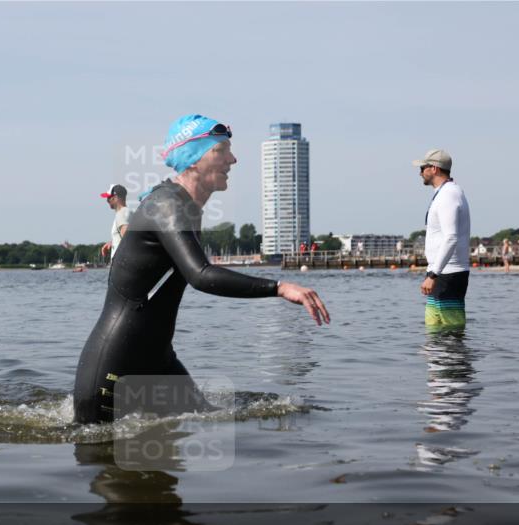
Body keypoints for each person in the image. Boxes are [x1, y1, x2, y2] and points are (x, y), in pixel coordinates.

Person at [73, 115, 330, 424]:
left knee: (206, 425)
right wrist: (278, 287)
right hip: (116, 363)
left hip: (157, 357)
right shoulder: (167, 205)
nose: (233, 159)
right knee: (104, 455)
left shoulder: (185, 208)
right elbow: (201, 275)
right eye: (222, 150)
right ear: (194, 158)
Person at [413, 149, 471, 329]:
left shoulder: (448, 195)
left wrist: (433, 274)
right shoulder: (445, 193)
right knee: (433, 332)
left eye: (423, 167)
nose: (420, 172)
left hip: (448, 273)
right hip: (440, 273)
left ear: (435, 169)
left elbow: (451, 237)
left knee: (450, 334)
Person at [100, 184, 129, 261]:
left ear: (115, 198)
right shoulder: (129, 212)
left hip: (121, 263)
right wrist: (112, 242)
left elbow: (128, 239)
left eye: (109, 198)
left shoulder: (121, 214)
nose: (107, 200)